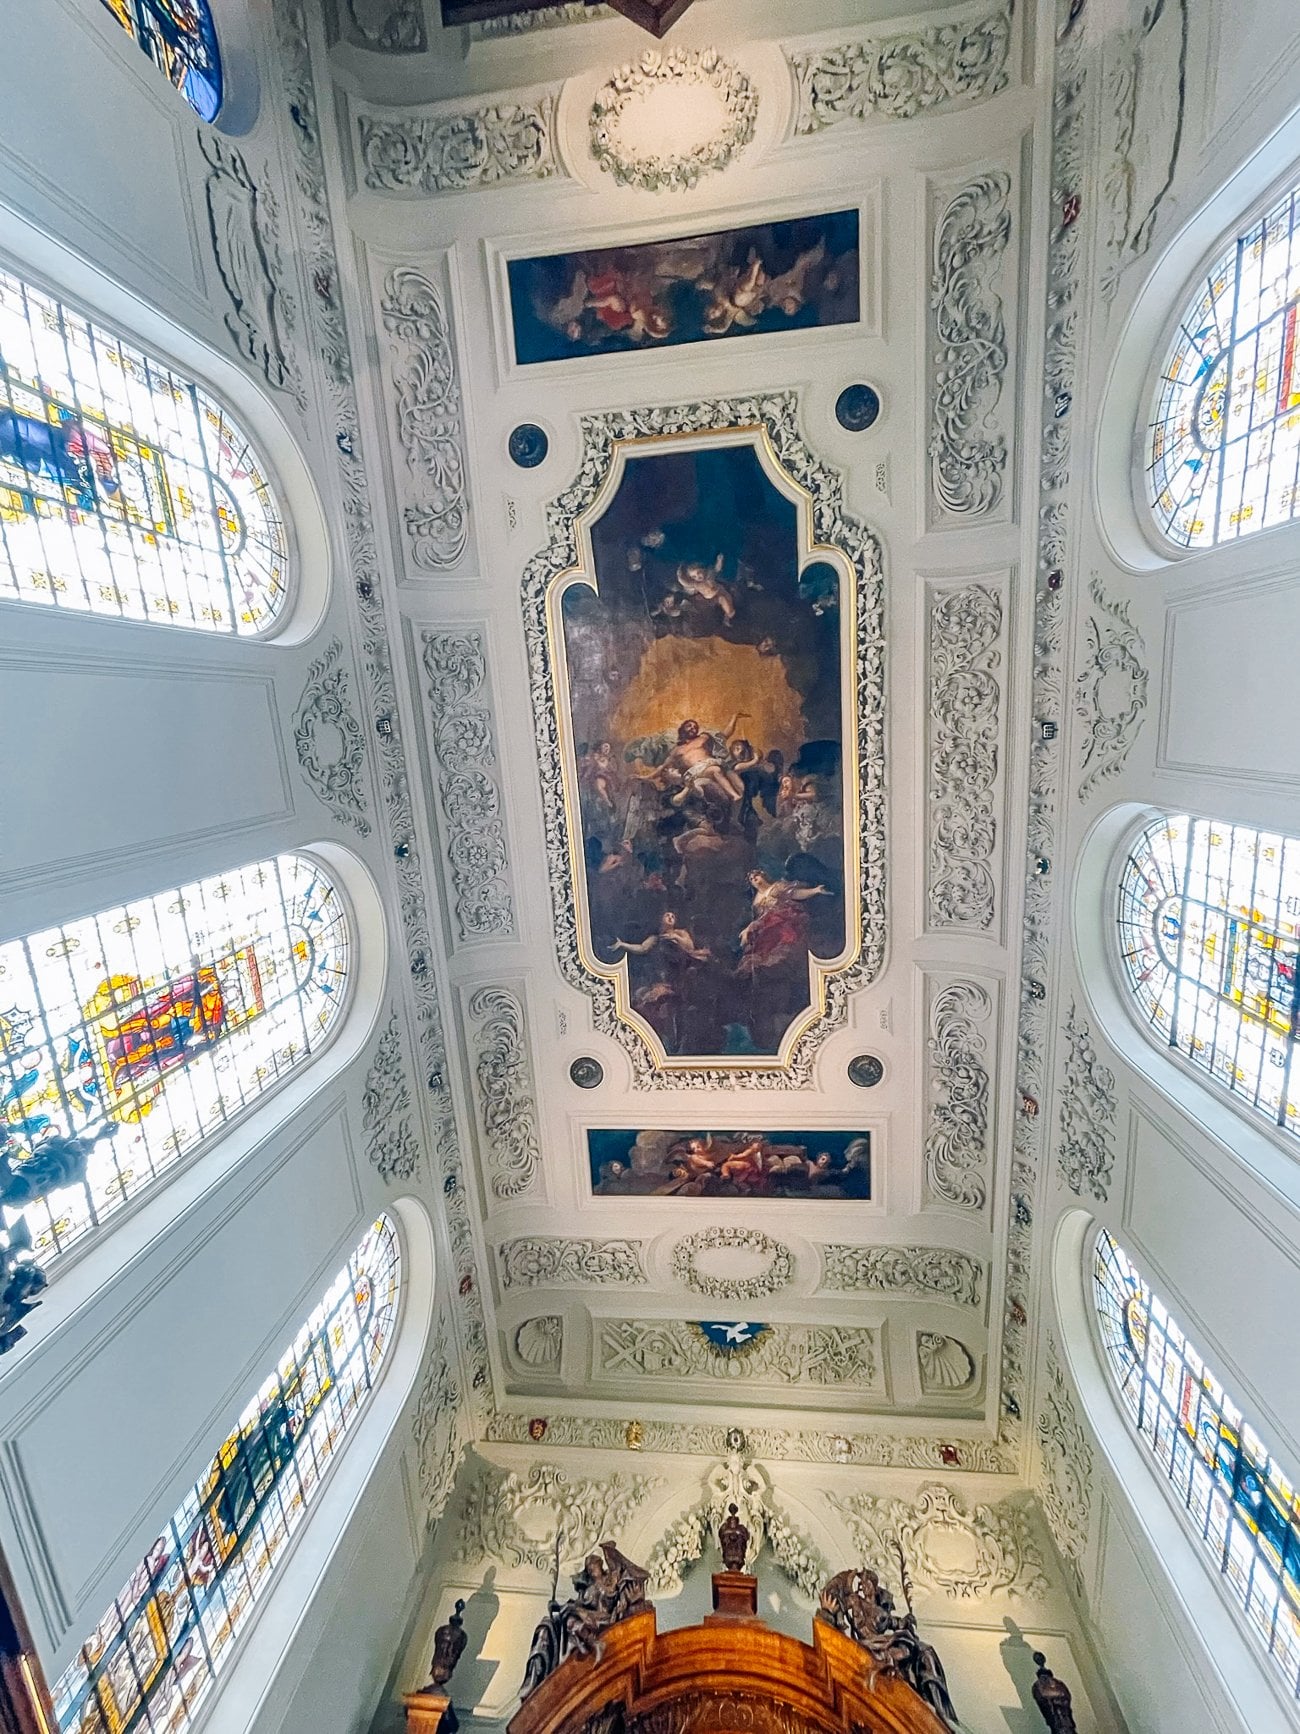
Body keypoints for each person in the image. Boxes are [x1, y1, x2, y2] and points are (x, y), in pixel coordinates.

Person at [737, 870, 831, 974]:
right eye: (751, 879)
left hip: (784, 918)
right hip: (767, 924)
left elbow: (796, 894)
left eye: (756, 876)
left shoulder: (777, 887)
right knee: (761, 946)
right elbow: (760, 918)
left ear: (763, 876)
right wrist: (749, 928)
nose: (754, 879)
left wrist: (815, 890)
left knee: (785, 936)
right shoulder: (756, 901)